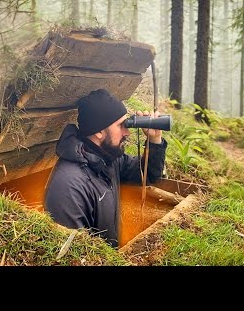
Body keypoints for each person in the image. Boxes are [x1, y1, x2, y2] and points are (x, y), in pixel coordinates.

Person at [45, 89, 167, 248]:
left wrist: (154, 140)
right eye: (121, 126)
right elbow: (74, 252)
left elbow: (147, 174)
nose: (127, 132)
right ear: (99, 132)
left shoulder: (108, 158)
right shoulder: (69, 185)